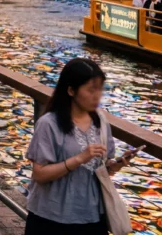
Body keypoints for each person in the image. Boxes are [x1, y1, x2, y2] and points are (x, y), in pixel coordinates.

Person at [25, 58, 138, 234]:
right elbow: (39, 174)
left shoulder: (100, 121)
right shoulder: (49, 124)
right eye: (91, 90)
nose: (97, 96)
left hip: (92, 215)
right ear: (71, 90)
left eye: (100, 89)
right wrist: (79, 158)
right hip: (51, 218)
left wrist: (115, 166)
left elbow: (98, 170)